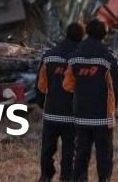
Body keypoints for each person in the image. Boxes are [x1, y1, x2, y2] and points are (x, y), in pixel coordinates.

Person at [64, 19, 118, 182]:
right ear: (104, 34)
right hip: (103, 116)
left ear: (87, 32)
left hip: (81, 114)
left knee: (81, 154)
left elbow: (67, 85)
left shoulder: (74, 58)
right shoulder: (108, 58)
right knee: (104, 155)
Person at [36, 22, 85, 182]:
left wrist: (42, 103)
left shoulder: (49, 55)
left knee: (48, 148)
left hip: (51, 112)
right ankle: (66, 176)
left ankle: (45, 176)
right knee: (70, 149)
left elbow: (40, 85)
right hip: (73, 114)